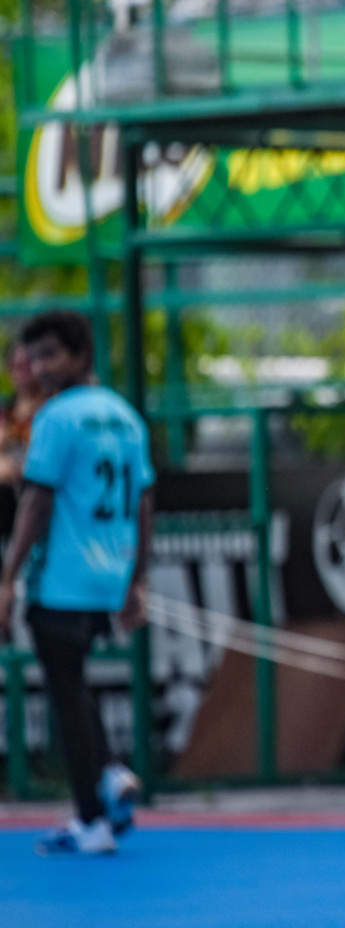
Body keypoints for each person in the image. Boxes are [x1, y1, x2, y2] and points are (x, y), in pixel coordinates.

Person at [0, 311, 154, 856]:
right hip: (107, 578)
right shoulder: (126, 417)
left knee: (65, 697)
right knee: (72, 683)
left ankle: (93, 817)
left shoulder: (58, 417)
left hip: (62, 579)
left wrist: (7, 578)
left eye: (50, 355)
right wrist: (136, 581)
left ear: (81, 355)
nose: (39, 368)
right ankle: (108, 777)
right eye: (34, 356)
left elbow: (37, 502)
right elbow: (144, 504)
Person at [0, 339, 47, 486]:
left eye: (28, 365)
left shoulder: (51, 408)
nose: (23, 372)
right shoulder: (7, 409)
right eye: (17, 366)